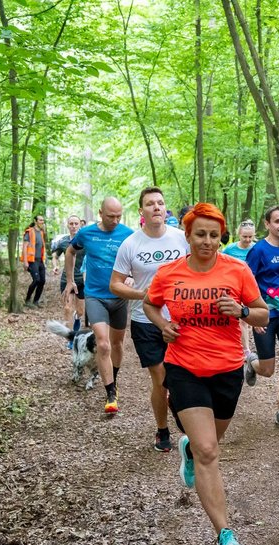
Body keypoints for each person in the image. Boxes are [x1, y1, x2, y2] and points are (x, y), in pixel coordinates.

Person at [143, 202, 269, 545]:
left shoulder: (238, 269)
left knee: (209, 443)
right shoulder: (169, 274)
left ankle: (188, 448)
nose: (208, 241)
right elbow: (152, 304)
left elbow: (262, 312)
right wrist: (162, 325)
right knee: (209, 452)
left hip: (227, 370)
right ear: (187, 235)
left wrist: (243, 312)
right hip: (184, 368)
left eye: (214, 235)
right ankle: (225, 534)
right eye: (201, 234)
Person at [111, 187, 188, 452]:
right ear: (141, 211)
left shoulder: (181, 239)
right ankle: (163, 429)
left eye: (160, 203)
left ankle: (182, 409)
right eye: (150, 204)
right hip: (145, 320)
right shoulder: (131, 244)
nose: (156, 207)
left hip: (181, 318)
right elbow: (115, 285)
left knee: (181, 376)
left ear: (166, 209)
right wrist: (142, 293)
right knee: (161, 376)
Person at [65, 197, 133, 415]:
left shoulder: (128, 234)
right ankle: (110, 393)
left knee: (118, 345)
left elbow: (138, 259)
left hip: (120, 296)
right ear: (100, 213)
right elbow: (70, 252)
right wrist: (69, 280)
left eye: (118, 216)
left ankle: (114, 378)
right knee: (103, 345)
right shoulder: (86, 233)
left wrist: (132, 276)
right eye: (110, 216)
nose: (114, 220)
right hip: (95, 296)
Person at [244, 205, 279, 429]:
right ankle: (251, 362)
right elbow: (247, 284)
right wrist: (254, 316)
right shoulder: (258, 251)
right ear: (267, 224)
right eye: (277, 221)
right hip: (265, 314)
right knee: (267, 370)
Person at [224, 220, 258, 364]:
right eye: (245, 237)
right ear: (239, 234)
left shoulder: (257, 249)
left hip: (250, 288)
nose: (247, 240)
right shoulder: (229, 250)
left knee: (245, 320)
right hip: (233, 287)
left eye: (250, 237)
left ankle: (245, 349)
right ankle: (234, 346)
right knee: (233, 319)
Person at [51, 215, 86, 333]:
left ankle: (77, 320)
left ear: (80, 225)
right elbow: (55, 256)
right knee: (67, 308)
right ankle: (71, 337)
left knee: (80, 311)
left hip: (81, 280)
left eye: (76, 223)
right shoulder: (63, 241)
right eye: (71, 224)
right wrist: (55, 265)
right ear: (67, 225)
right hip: (67, 280)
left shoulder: (85, 241)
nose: (74, 226)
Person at [22, 214, 48, 308]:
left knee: (42, 281)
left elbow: (41, 248)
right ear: (35, 221)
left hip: (40, 260)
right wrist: (25, 261)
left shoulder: (41, 233)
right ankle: (27, 300)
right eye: (40, 220)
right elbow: (25, 247)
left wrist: (43, 260)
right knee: (36, 280)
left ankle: (35, 301)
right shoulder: (29, 232)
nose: (42, 222)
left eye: (43, 220)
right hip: (32, 261)